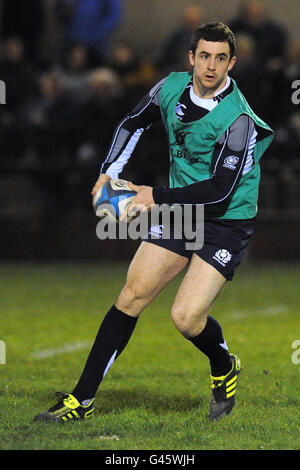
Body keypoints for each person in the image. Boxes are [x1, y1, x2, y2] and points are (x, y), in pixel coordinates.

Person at [34, 22, 274, 423]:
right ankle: (82, 399)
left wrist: (152, 196)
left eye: (220, 58)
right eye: (203, 56)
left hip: (226, 220)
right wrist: (109, 172)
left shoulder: (239, 121)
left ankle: (223, 365)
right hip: (181, 209)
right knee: (131, 295)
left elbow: (218, 190)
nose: (210, 66)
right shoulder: (170, 88)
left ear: (231, 63)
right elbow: (132, 122)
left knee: (185, 318)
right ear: (191, 58)